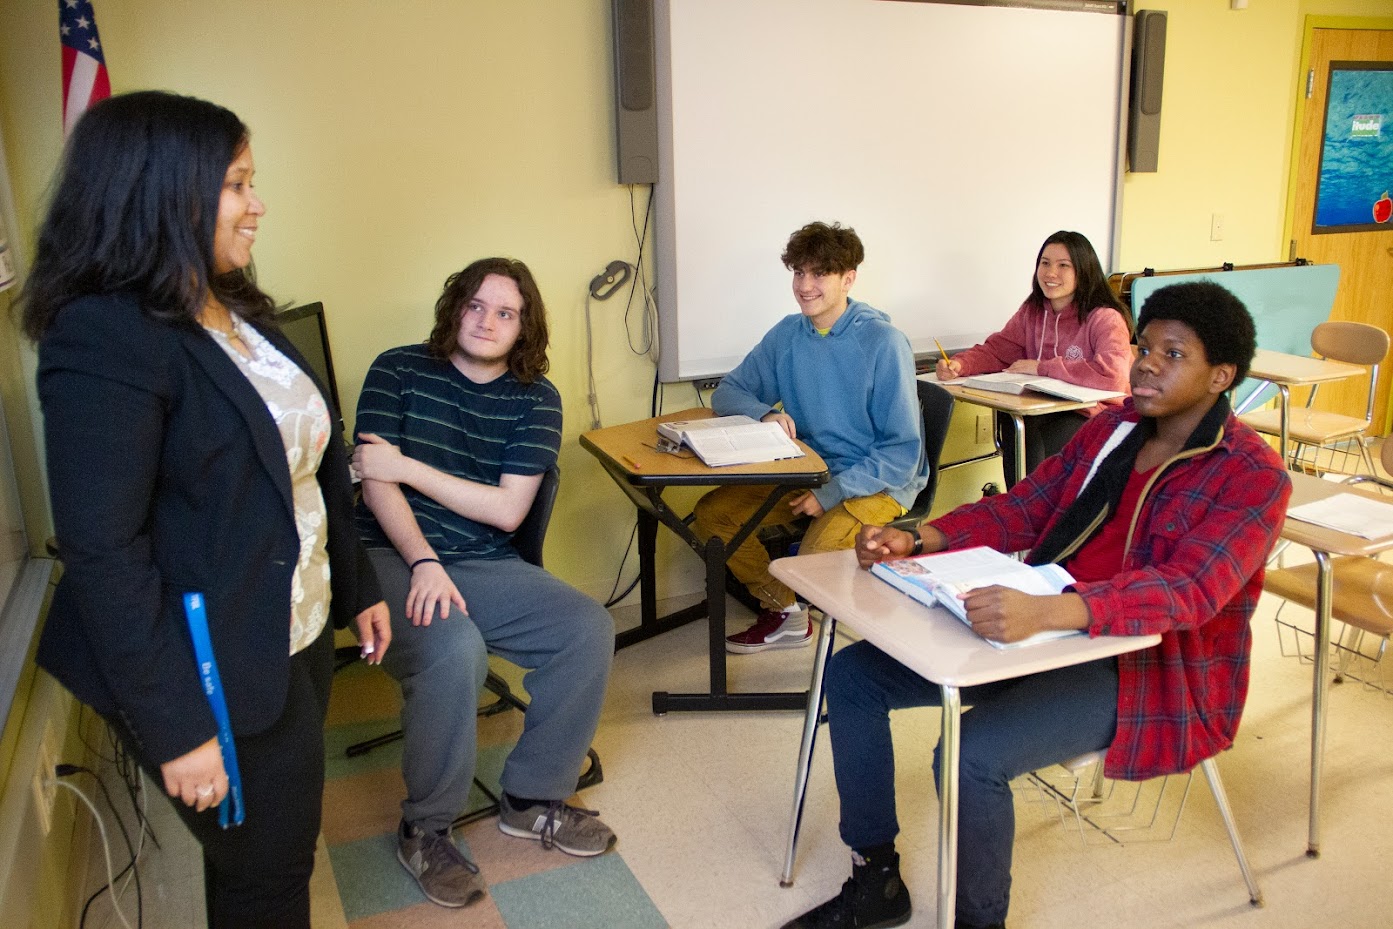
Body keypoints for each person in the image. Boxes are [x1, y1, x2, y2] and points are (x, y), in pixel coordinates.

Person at [782, 281, 1291, 929]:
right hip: (1048, 622)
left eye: (1173, 354)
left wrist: (1048, 611)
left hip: (1146, 668)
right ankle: (876, 875)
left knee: (969, 755)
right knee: (852, 677)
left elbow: (1187, 590)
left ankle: (978, 920)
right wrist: (918, 535)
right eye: (1144, 347)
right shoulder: (1113, 427)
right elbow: (1026, 506)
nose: (1146, 363)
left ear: (1220, 375)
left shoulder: (1251, 475)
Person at [21, 91, 391, 929]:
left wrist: (358, 581)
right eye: (237, 184)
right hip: (207, 665)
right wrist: (178, 728)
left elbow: (310, 465)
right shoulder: (105, 336)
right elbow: (105, 552)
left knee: (261, 855)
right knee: (270, 874)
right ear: (163, 192)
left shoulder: (232, 305)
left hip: (289, 633)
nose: (258, 204)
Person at [354, 257, 616, 909]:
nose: (487, 320)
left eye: (505, 312)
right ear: (454, 307)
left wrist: (406, 462)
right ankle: (425, 825)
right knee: (453, 647)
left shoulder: (536, 398)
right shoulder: (397, 368)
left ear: (523, 326)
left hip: (483, 557)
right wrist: (422, 559)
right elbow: (373, 479)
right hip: (388, 552)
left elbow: (505, 511)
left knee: (587, 628)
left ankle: (530, 799)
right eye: (476, 305)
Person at [693, 221, 927, 654]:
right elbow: (729, 390)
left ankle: (817, 620)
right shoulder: (788, 333)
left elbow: (901, 453)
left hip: (876, 482)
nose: (805, 285)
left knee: (811, 563)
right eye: (798, 273)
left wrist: (833, 492)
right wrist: (763, 413)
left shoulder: (884, 342)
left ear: (848, 278)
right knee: (712, 519)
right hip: (808, 470)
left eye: (819, 274)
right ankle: (786, 611)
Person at [936, 230, 1133, 488]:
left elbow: (1113, 376)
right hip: (1040, 409)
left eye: (1063, 266)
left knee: (1039, 437)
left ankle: (1038, 511)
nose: (1051, 273)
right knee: (1015, 425)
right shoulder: (1032, 312)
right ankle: (1023, 507)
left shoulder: (1104, 318)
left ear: (1083, 271)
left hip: (1094, 416)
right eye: (1045, 263)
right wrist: (961, 365)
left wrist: (1042, 368)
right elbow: (998, 350)